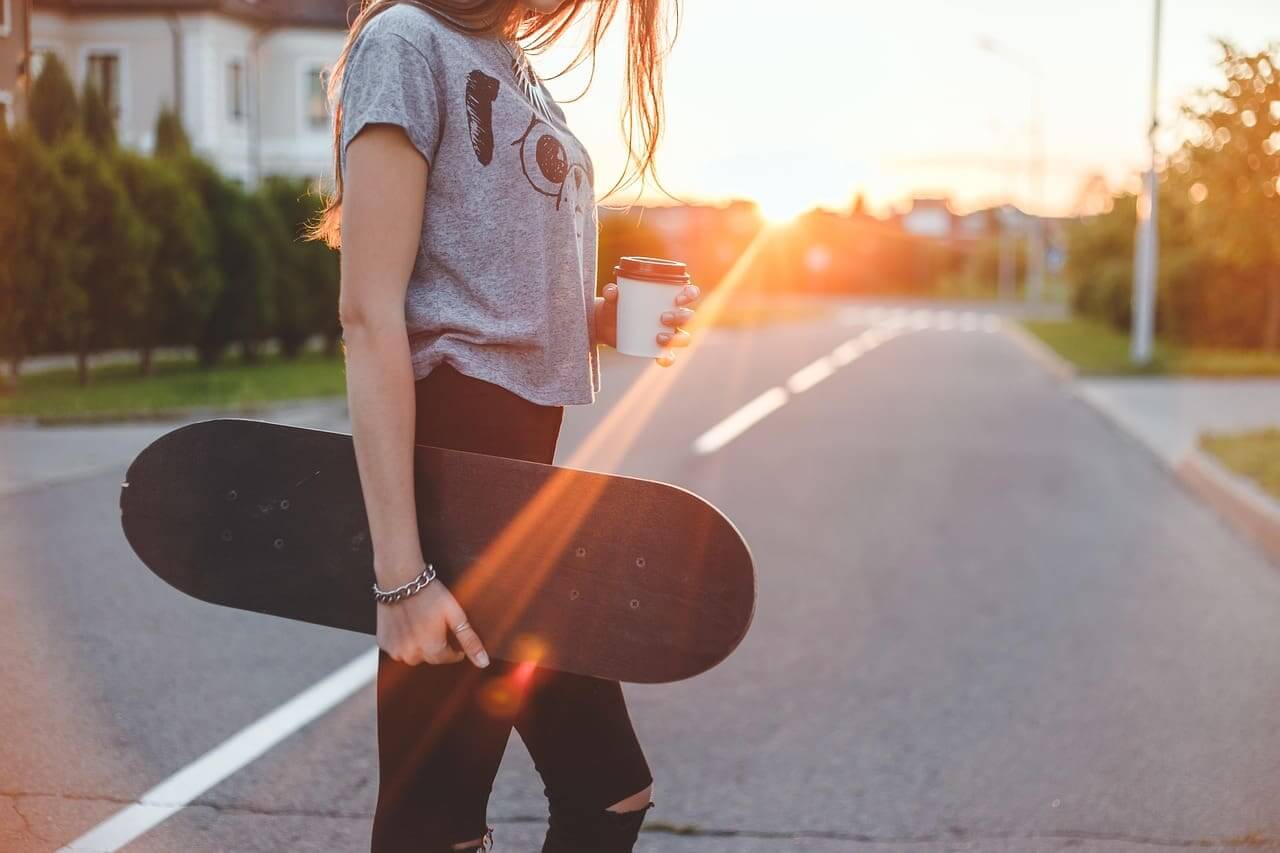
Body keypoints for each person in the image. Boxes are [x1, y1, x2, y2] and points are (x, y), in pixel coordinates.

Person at [308, 1, 697, 850]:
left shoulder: (511, 60)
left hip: (521, 480)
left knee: (572, 797)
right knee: (455, 816)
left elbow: (482, 287)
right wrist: (401, 579)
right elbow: (371, 315)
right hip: (459, 472)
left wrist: (593, 319)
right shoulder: (406, 42)